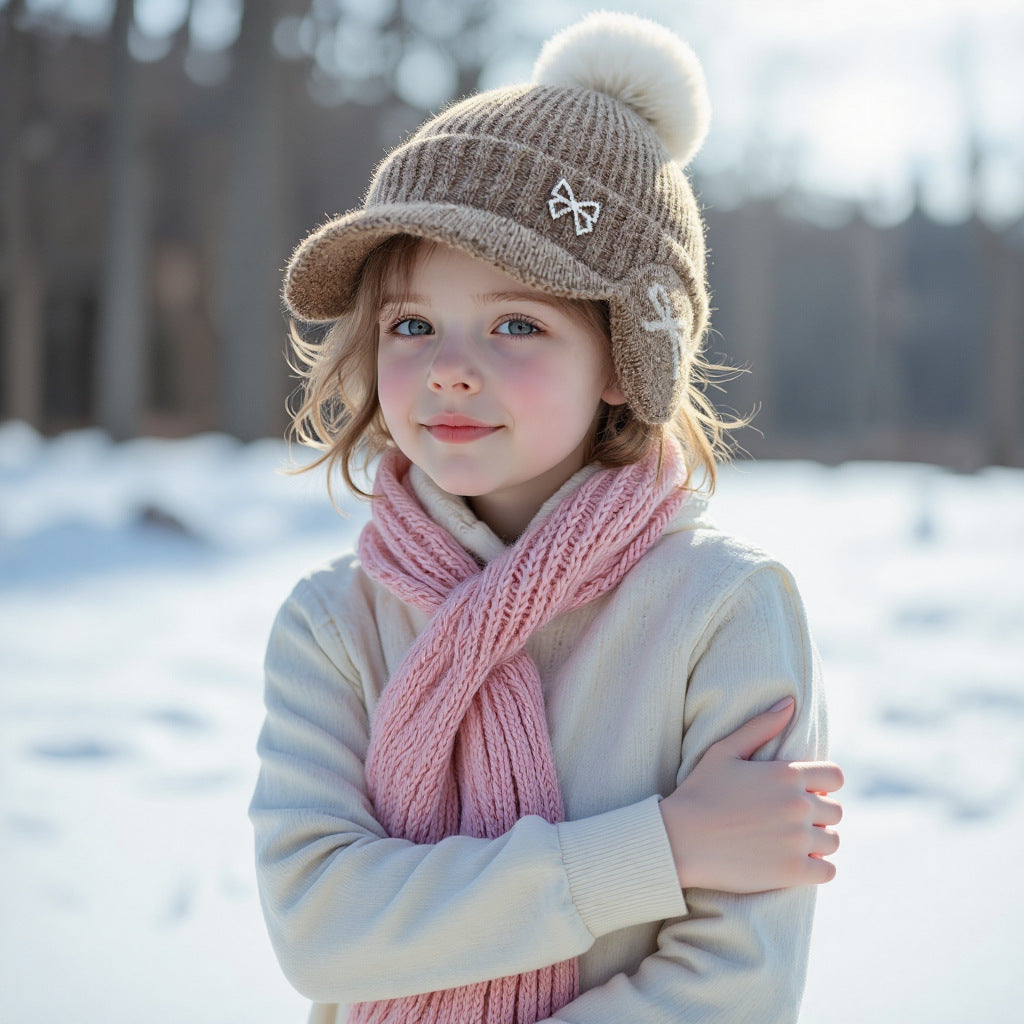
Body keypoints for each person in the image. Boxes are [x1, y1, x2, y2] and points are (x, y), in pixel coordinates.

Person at [250, 12, 844, 1024]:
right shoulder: (333, 624)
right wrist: (657, 850)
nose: (448, 367)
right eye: (411, 323)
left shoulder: (723, 611)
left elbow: (731, 987)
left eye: (515, 323)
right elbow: (320, 925)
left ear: (626, 357)